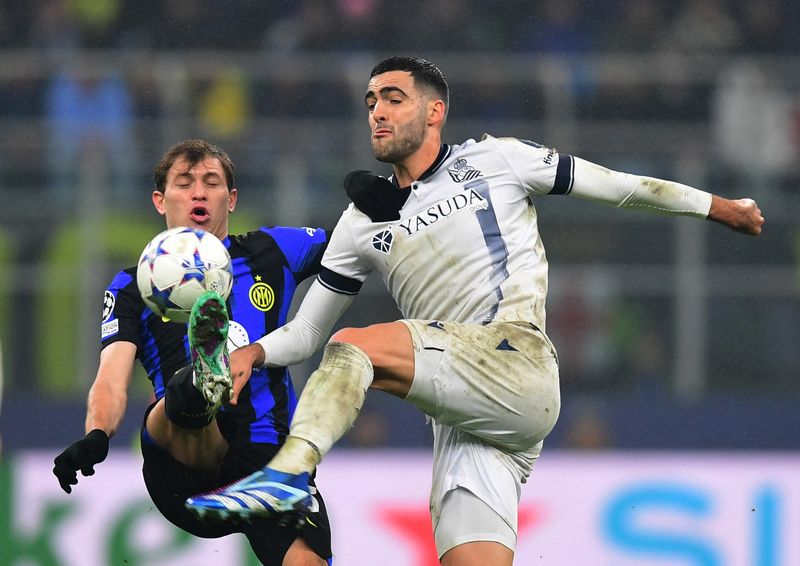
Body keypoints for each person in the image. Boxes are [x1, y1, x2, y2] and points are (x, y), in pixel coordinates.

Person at [185, 57, 765, 565]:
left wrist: (720, 207)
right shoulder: (362, 220)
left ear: (435, 112)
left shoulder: (498, 160)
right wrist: (256, 351)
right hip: (466, 425)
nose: (377, 113)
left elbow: (619, 187)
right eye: (370, 102)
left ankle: (288, 475)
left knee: (356, 347)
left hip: (517, 362)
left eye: (394, 98)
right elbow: (309, 328)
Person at [52, 139, 334, 566]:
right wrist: (96, 435)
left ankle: (206, 374)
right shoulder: (132, 286)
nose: (198, 193)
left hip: (270, 463)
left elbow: (356, 247)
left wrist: (375, 204)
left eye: (211, 183)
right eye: (184, 183)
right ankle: (205, 381)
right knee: (185, 394)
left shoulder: (272, 252)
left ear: (231, 199)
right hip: (184, 468)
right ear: (160, 200)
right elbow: (111, 377)